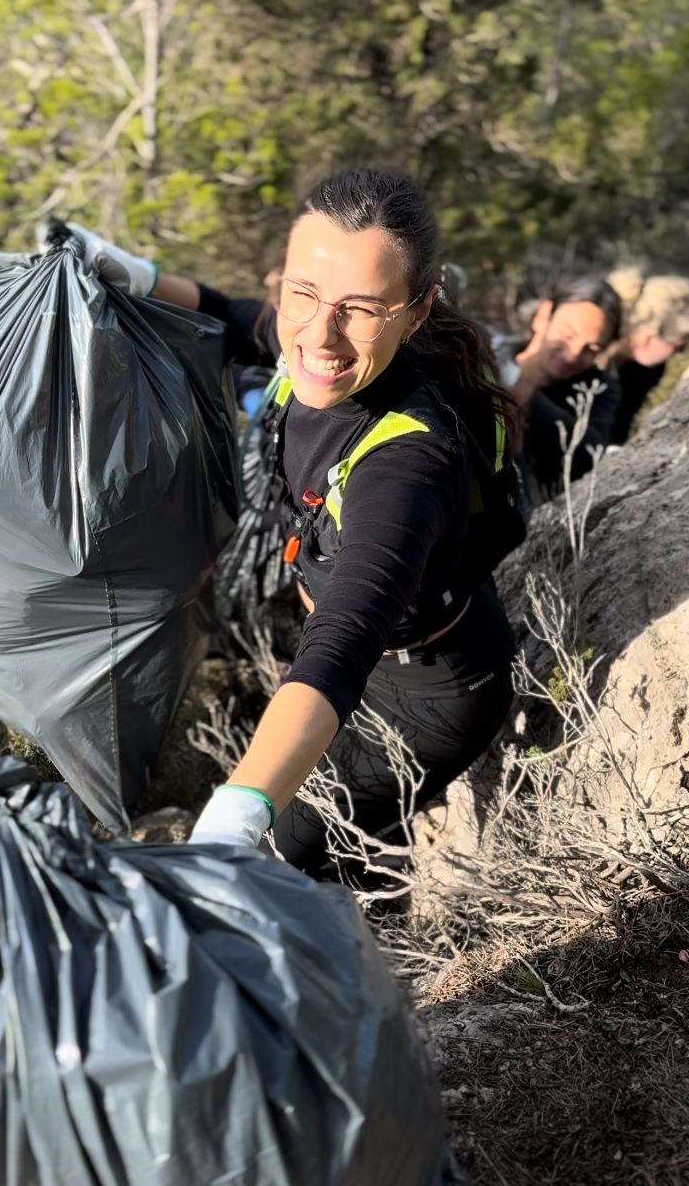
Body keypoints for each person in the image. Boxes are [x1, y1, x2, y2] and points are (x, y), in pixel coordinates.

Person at [58, 169, 520, 876]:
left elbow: (342, 638)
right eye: (301, 293)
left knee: (283, 858)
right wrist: (128, 270)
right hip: (353, 664)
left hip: (421, 694)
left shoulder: (407, 465)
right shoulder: (311, 337)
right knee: (329, 843)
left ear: (415, 310)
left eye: (359, 309)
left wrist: (237, 810)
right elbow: (237, 317)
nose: (319, 334)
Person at [489, 275, 623, 502]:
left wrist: (528, 395)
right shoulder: (490, 357)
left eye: (591, 348)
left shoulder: (597, 390)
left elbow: (593, 453)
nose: (573, 354)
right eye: (567, 335)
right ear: (543, 316)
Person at [603, 267, 689, 446]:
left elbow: (619, 429)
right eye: (677, 346)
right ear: (649, 337)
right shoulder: (588, 355)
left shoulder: (646, 372)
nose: (679, 355)